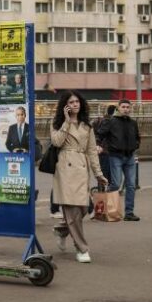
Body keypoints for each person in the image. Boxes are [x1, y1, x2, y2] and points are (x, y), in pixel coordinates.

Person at [50, 91, 108, 263]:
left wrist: (99, 174)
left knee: (83, 209)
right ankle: (82, 248)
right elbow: (57, 142)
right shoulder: (57, 123)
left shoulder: (87, 126)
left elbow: (91, 151)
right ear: (65, 106)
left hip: (82, 168)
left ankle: (61, 230)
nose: (75, 104)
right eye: (71, 102)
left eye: (77, 101)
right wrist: (66, 122)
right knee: (73, 212)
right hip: (65, 167)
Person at [97, 99, 141, 221]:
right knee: (115, 184)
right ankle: (109, 209)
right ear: (118, 108)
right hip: (115, 155)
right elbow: (100, 134)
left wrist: (136, 145)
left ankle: (129, 213)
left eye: (128, 107)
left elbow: (137, 136)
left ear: (130, 109)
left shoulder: (133, 122)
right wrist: (98, 144)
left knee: (131, 185)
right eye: (123, 107)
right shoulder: (111, 121)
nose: (126, 109)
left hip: (130, 156)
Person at [93, 104, 117, 188]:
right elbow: (100, 134)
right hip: (106, 151)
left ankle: (105, 191)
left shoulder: (105, 120)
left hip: (106, 150)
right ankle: (103, 192)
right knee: (106, 172)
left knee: (106, 172)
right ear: (114, 112)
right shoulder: (108, 121)